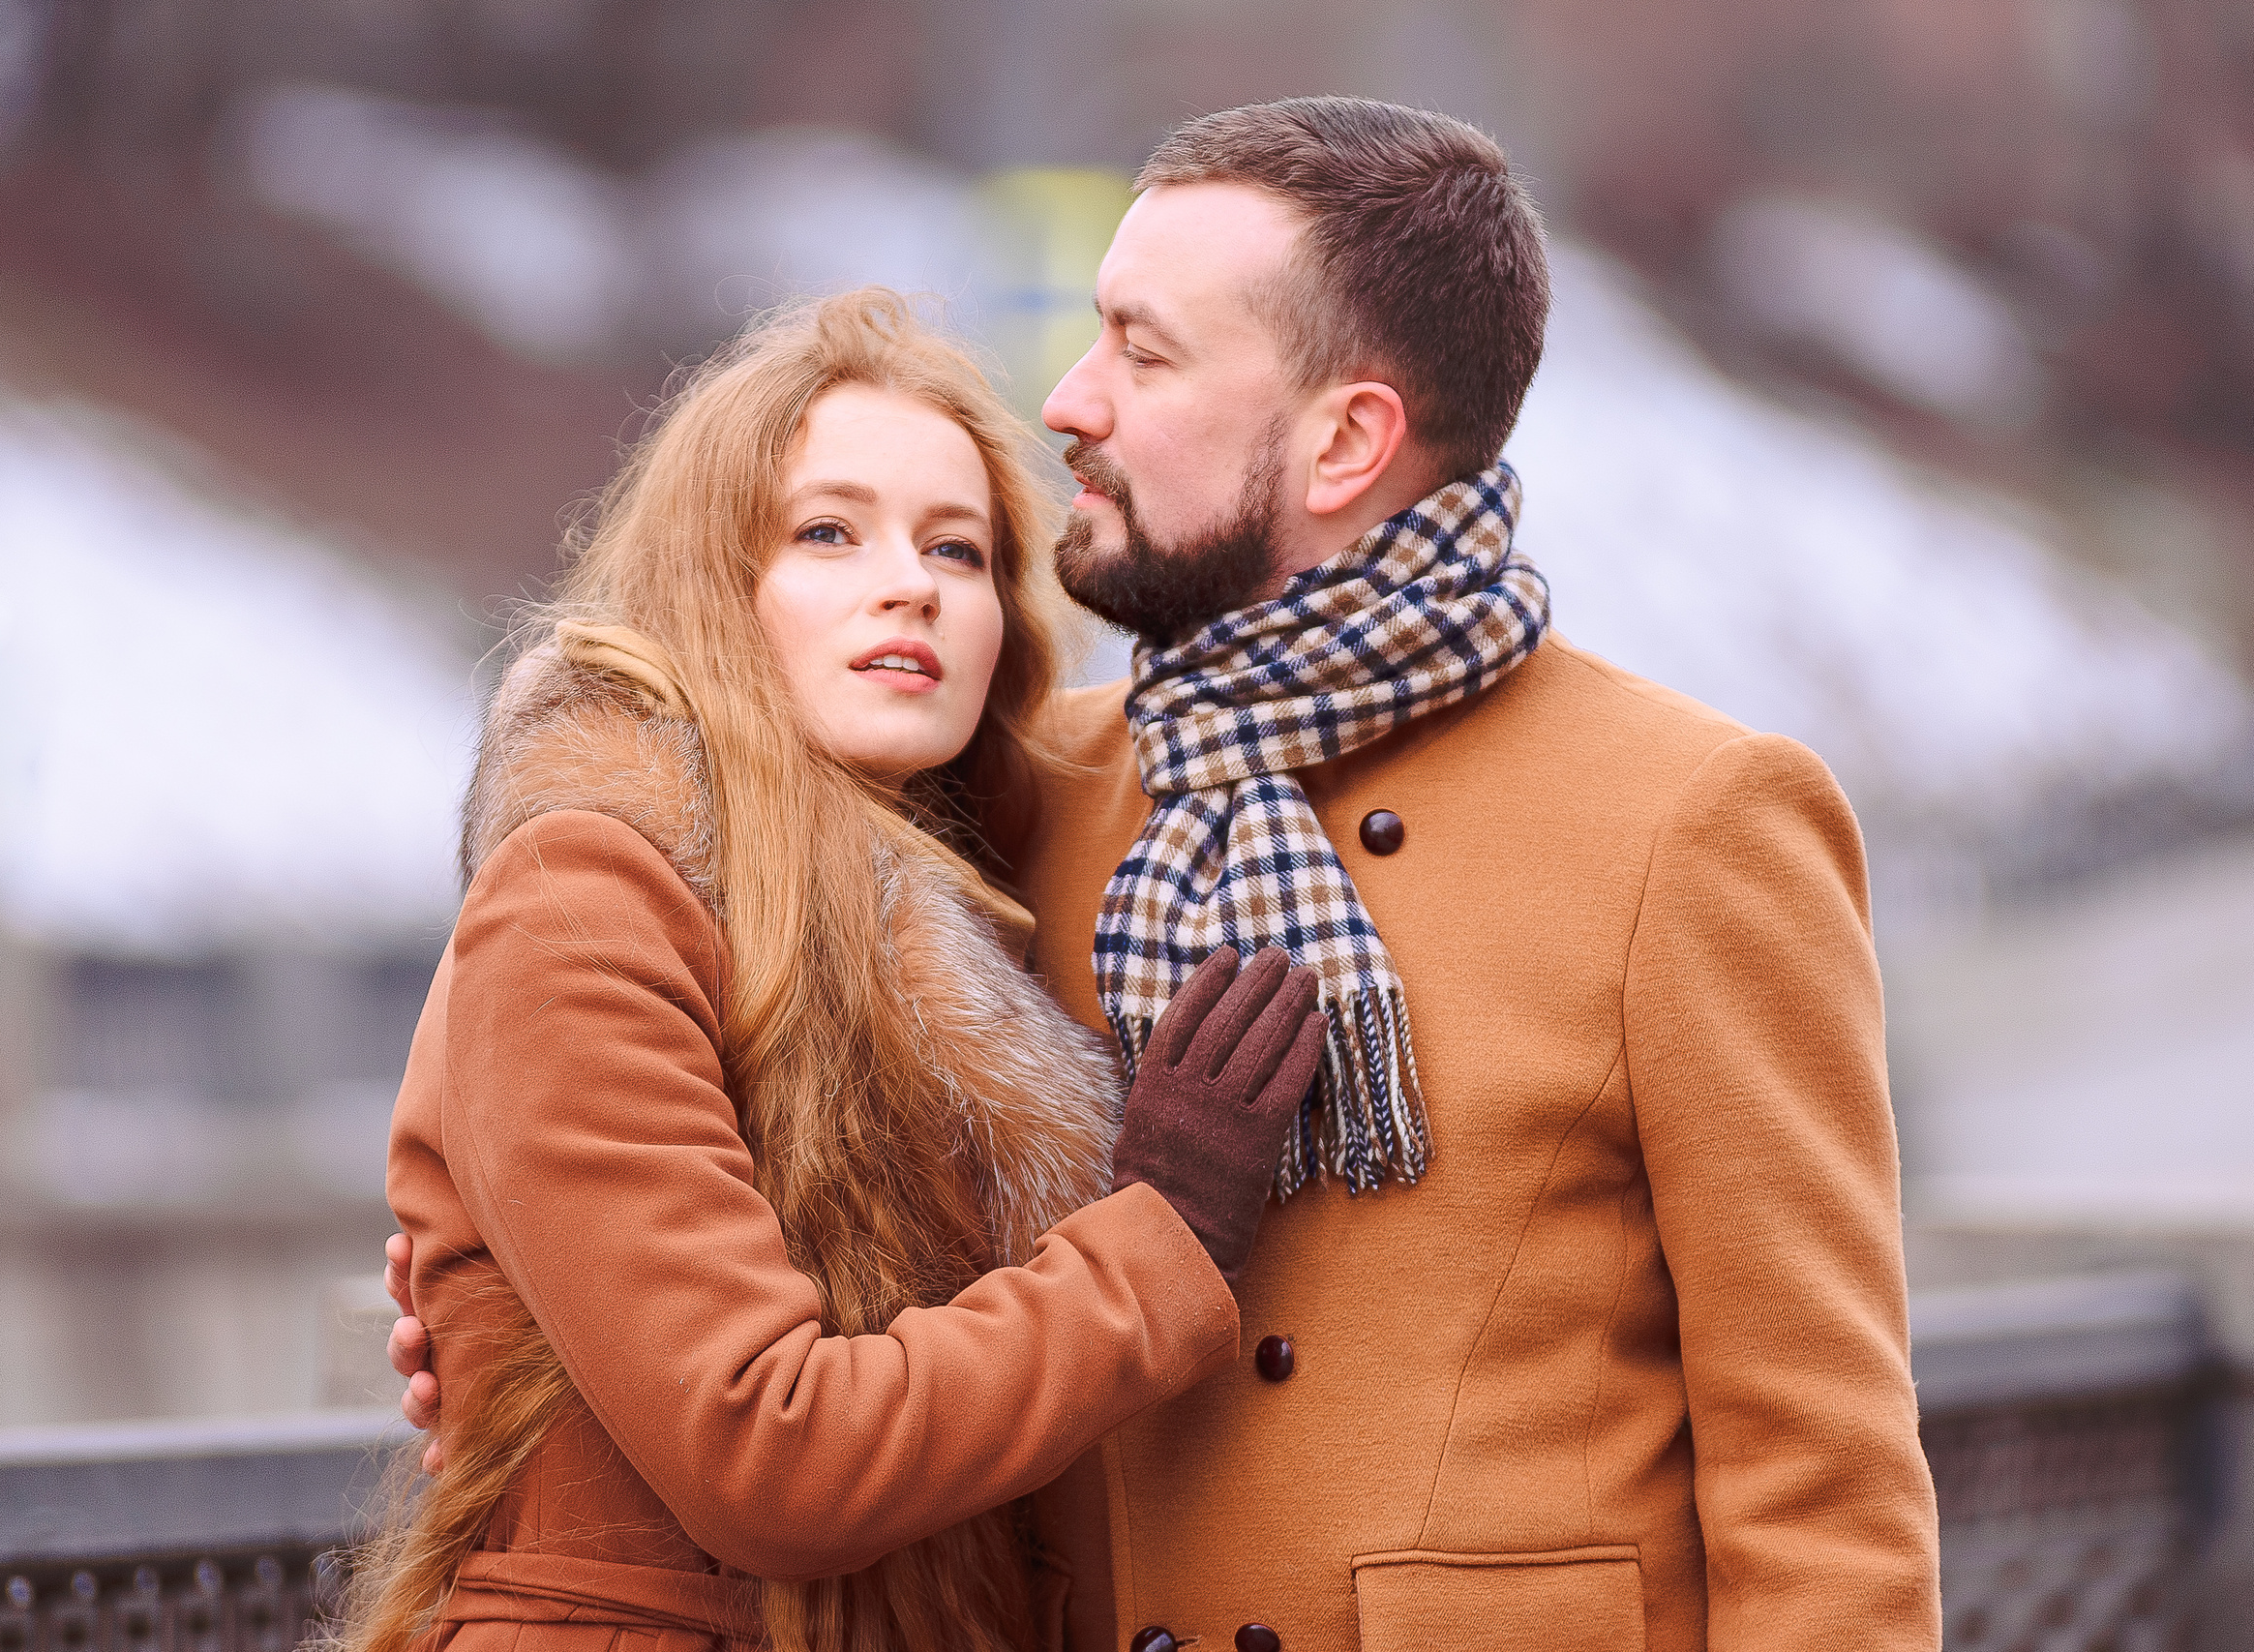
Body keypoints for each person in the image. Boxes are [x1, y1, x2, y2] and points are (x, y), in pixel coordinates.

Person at [396, 97, 1943, 1651]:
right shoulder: (1011, 799)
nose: (1069, 401)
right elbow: (689, 1004)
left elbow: (1822, 1490)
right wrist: (487, 1284)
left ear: (1345, 440)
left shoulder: (1692, 819)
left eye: (1143, 353)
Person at [355, 288, 1325, 1652]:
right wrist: (1159, 1235)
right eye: (828, 532)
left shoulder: (953, 929)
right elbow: (764, 1453)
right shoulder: (589, 891)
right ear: (710, 586)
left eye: (959, 549)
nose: (911, 583)